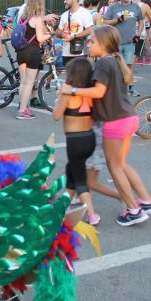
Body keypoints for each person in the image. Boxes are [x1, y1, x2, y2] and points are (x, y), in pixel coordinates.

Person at [60, 25, 151, 226]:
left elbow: (98, 92)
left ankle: (134, 210)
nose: (89, 44)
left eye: (93, 41)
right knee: (121, 164)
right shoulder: (114, 61)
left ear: (104, 44)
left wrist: (71, 90)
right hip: (128, 117)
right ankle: (147, 201)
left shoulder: (103, 64)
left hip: (115, 121)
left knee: (115, 167)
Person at [52, 57, 98, 225]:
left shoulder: (68, 96)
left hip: (75, 141)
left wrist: (59, 99)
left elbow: (56, 116)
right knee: (71, 169)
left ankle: (92, 214)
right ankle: (64, 205)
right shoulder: (89, 93)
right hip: (89, 138)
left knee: (79, 178)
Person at [103, 0, 143, 97]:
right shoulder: (114, 7)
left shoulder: (135, 7)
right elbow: (105, 21)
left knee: (129, 66)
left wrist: (138, 34)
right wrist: (118, 20)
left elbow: (141, 21)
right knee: (116, 66)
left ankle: (131, 87)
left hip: (130, 42)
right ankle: (115, 88)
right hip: (116, 42)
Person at [16, 0, 52, 120]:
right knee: (29, 82)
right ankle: (22, 111)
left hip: (20, 52)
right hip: (32, 52)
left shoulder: (23, 19)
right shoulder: (37, 19)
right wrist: (50, 34)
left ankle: (23, 106)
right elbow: (40, 38)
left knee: (23, 82)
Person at [56, 0, 94, 67]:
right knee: (69, 77)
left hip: (80, 52)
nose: (64, 1)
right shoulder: (64, 15)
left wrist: (74, 36)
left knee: (80, 77)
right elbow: (57, 32)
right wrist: (63, 34)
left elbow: (90, 30)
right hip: (66, 52)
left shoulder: (84, 13)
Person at [133, 0, 151, 65]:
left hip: (127, 32)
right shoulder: (145, 6)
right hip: (139, 33)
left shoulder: (126, 4)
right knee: (134, 57)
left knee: (129, 57)